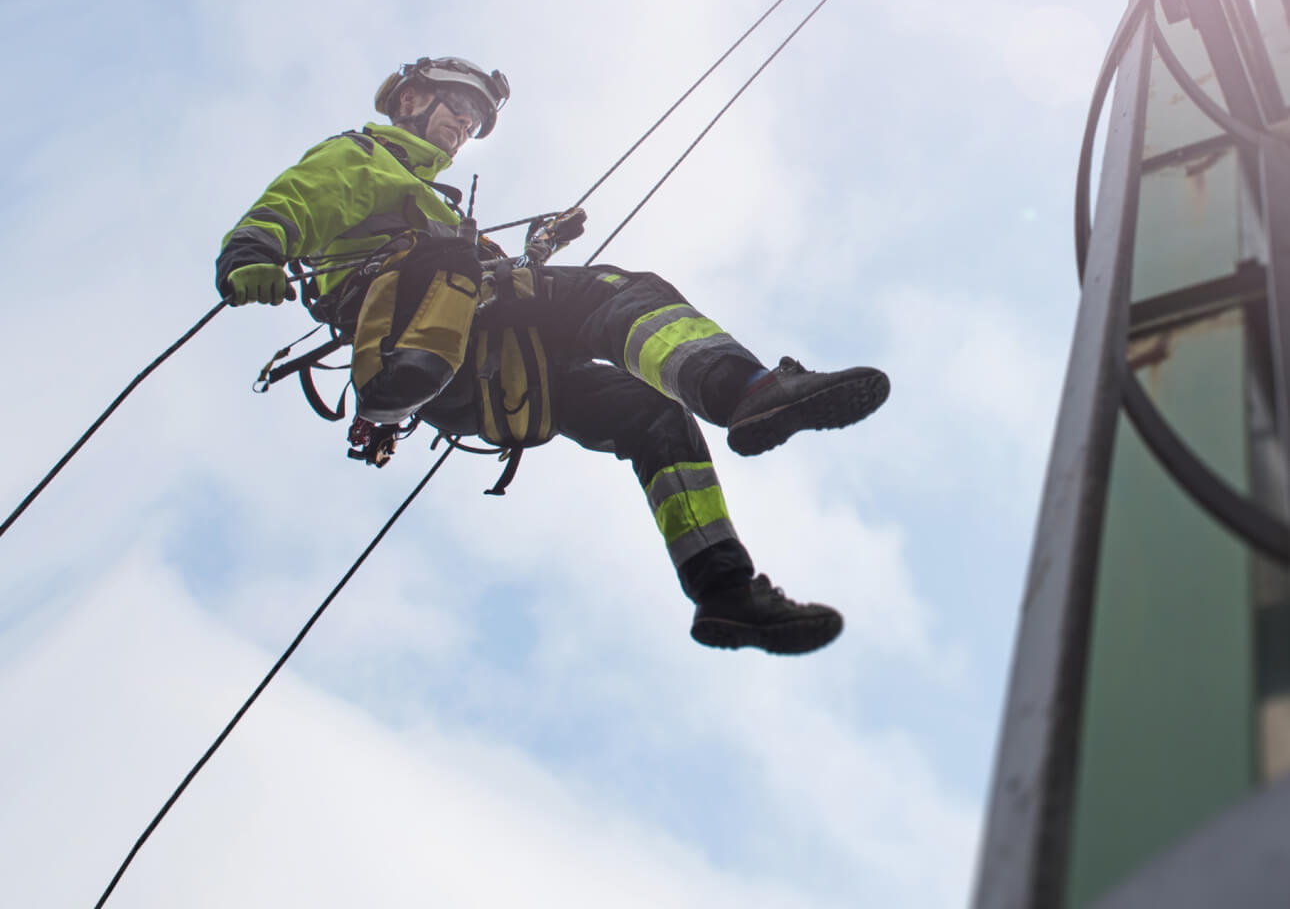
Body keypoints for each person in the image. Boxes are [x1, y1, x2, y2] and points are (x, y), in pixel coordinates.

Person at [215, 56, 890, 655]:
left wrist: (537, 251)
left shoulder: (432, 202)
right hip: (434, 334)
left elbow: (474, 285)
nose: (465, 124)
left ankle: (725, 591)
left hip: (471, 364)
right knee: (619, 295)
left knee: (653, 417)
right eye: (458, 105)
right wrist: (253, 251)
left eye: (477, 119)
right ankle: (747, 391)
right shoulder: (364, 158)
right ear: (411, 100)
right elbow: (297, 201)